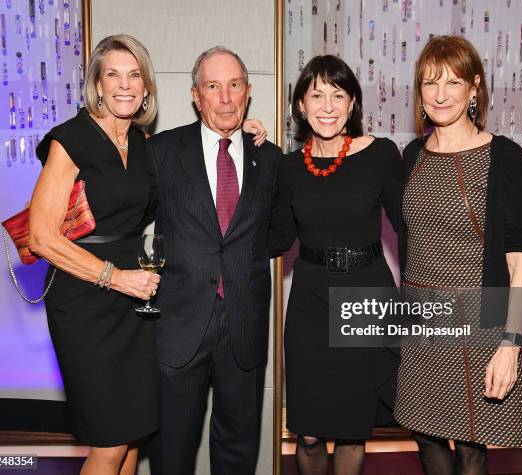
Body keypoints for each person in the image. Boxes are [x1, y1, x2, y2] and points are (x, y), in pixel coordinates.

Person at [29, 35, 266, 475]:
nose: (124, 84)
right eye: (113, 74)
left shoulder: (141, 146)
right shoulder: (72, 139)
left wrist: (242, 133)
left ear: (146, 87)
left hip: (136, 308)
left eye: (134, 74)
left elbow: (199, 183)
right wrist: (114, 278)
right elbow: (40, 238)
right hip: (87, 301)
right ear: (96, 84)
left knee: (133, 434)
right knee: (110, 441)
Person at [394, 35, 522, 475]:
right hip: (421, 322)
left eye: (452, 83)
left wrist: (510, 345)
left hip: (479, 323)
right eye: (429, 83)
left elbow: (519, 262)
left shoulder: (506, 160)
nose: (439, 95)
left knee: (473, 449)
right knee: (426, 437)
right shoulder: (412, 155)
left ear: (475, 88)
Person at [145, 46, 281, 475]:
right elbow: (123, 214)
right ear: (195, 95)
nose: (225, 97)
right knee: (172, 451)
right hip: (178, 326)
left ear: (248, 91)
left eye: (234, 85)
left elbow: (281, 232)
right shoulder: (162, 152)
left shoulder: (270, 158)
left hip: (244, 323)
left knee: (238, 450)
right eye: (213, 86)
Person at [269, 55, 402, 475]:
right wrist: (247, 155)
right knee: (307, 431)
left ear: (352, 104)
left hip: (364, 294)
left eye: (338, 95)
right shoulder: (289, 167)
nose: (327, 106)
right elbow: (278, 237)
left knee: (349, 428)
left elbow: (411, 225)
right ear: (301, 107)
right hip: (309, 299)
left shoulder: (380, 154)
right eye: (317, 95)